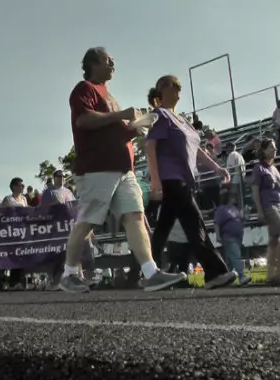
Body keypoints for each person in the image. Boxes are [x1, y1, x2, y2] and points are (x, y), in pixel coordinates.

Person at [60, 47, 186, 293]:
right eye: (108, 60)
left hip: (123, 168)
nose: (113, 64)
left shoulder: (108, 93)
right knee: (87, 221)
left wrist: (135, 126)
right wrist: (122, 115)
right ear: (94, 63)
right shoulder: (84, 88)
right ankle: (69, 273)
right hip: (98, 167)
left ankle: (151, 273)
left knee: (135, 216)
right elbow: (83, 120)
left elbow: (112, 127)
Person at [145, 75, 236, 289]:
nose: (179, 88)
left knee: (163, 228)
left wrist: (217, 167)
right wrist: (155, 179)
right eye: (174, 84)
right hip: (171, 179)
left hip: (183, 178)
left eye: (179, 85)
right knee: (194, 222)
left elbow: (197, 149)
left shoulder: (182, 120)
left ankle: (144, 270)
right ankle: (215, 272)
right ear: (162, 90)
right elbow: (150, 146)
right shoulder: (160, 114)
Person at [251, 138, 280, 286]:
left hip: (278, 205)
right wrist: (260, 211)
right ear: (263, 150)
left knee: (274, 240)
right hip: (269, 207)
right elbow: (255, 191)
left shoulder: (274, 168)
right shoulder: (259, 168)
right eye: (271, 148)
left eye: (275, 148)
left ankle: (271, 275)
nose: (274, 150)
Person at [214, 191, 251, 286]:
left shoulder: (235, 209)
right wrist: (218, 236)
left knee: (230, 260)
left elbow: (241, 219)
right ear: (227, 198)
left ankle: (226, 279)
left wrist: (246, 214)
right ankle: (242, 277)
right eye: (232, 196)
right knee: (236, 256)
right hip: (228, 237)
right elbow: (217, 223)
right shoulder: (221, 210)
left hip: (237, 237)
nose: (234, 198)